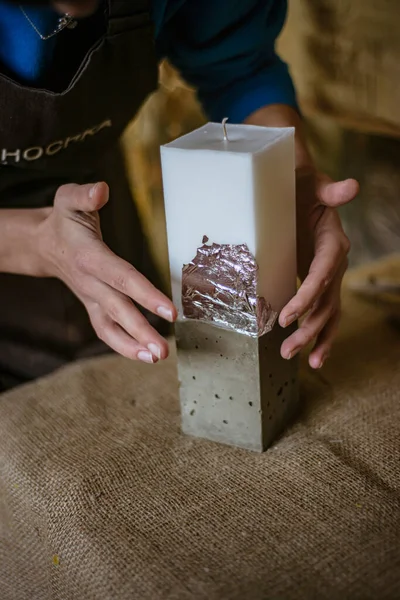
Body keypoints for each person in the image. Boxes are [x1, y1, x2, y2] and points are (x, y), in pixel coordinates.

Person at [0, 0, 359, 391]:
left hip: (91, 206)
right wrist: (38, 240)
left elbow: (239, 70)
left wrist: (290, 172)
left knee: (131, 382)